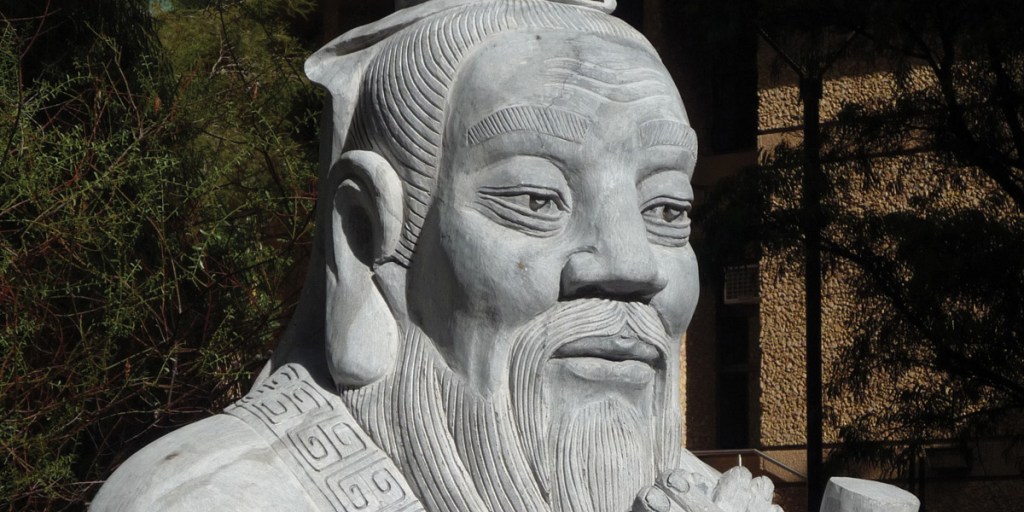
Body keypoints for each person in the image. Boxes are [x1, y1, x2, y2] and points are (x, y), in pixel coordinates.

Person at [91, 1, 782, 511]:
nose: (634, 266)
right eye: (538, 199)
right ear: (364, 238)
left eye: (666, 210)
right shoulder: (211, 500)